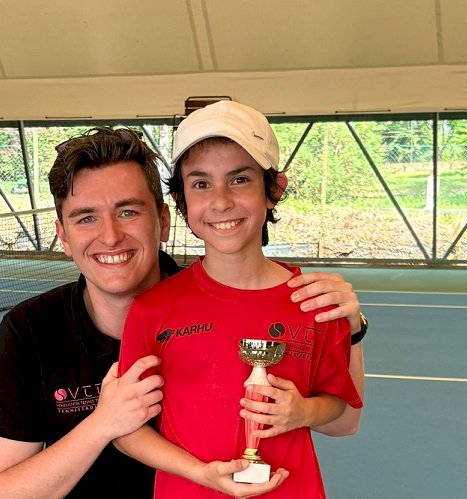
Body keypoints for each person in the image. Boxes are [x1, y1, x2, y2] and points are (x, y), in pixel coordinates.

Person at [0, 126, 367, 498]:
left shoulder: (225, 302)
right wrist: (102, 424)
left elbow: (344, 421)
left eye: (128, 212)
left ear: (163, 222)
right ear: (63, 236)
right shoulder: (29, 331)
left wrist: (351, 330)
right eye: (86, 218)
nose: (110, 236)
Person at [116, 101, 363, 498]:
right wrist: (200, 473)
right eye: (201, 184)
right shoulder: (152, 309)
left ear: (273, 190)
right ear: (182, 199)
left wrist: (303, 411)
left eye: (240, 179)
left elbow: (341, 411)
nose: (221, 201)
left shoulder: (314, 301)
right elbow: (126, 430)